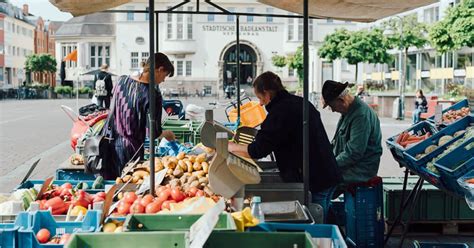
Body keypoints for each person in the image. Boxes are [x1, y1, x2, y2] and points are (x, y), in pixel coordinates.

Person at [228, 71, 342, 221]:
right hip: (328, 172)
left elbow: (258, 150)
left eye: (260, 98)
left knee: (318, 222)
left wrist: (229, 147)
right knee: (324, 217)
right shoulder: (299, 102)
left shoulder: (279, 112)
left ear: (267, 94)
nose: (261, 103)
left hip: (315, 178)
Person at [105, 53, 175, 179]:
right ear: (159, 70)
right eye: (165, 76)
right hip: (132, 150)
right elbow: (153, 133)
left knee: (114, 187)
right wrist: (167, 134)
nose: (163, 80)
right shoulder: (152, 95)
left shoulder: (121, 80)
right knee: (127, 187)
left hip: (111, 145)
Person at [321, 80, 382, 187]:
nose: (333, 110)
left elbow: (354, 153)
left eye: (332, 106)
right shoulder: (347, 111)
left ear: (341, 100)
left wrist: (329, 166)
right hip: (349, 166)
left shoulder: (360, 115)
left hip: (360, 170)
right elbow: (335, 143)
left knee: (321, 183)